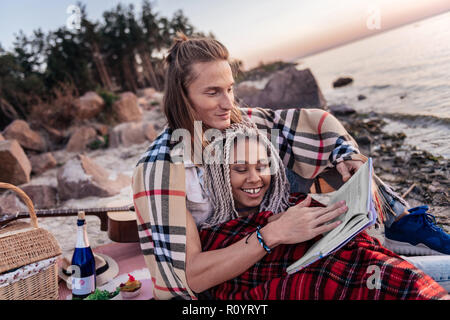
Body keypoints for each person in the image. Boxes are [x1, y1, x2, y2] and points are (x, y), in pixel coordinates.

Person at [131, 32, 450, 300]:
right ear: (182, 96)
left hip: (289, 244)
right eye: (213, 92)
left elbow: (315, 121)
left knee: (382, 264)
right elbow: (190, 277)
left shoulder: (238, 123)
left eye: (230, 88)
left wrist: (346, 154)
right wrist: (272, 234)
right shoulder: (161, 169)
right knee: (403, 282)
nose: (229, 103)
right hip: (243, 275)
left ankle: (400, 223)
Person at [194, 121, 449, 299]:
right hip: (349, 282)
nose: (255, 178)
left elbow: (316, 122)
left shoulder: (290, 201)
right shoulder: (215, 236)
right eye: (240, 170)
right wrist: (274, 232)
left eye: (262, 167)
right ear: (220, 176)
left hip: (375, 267)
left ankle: (399, 235)